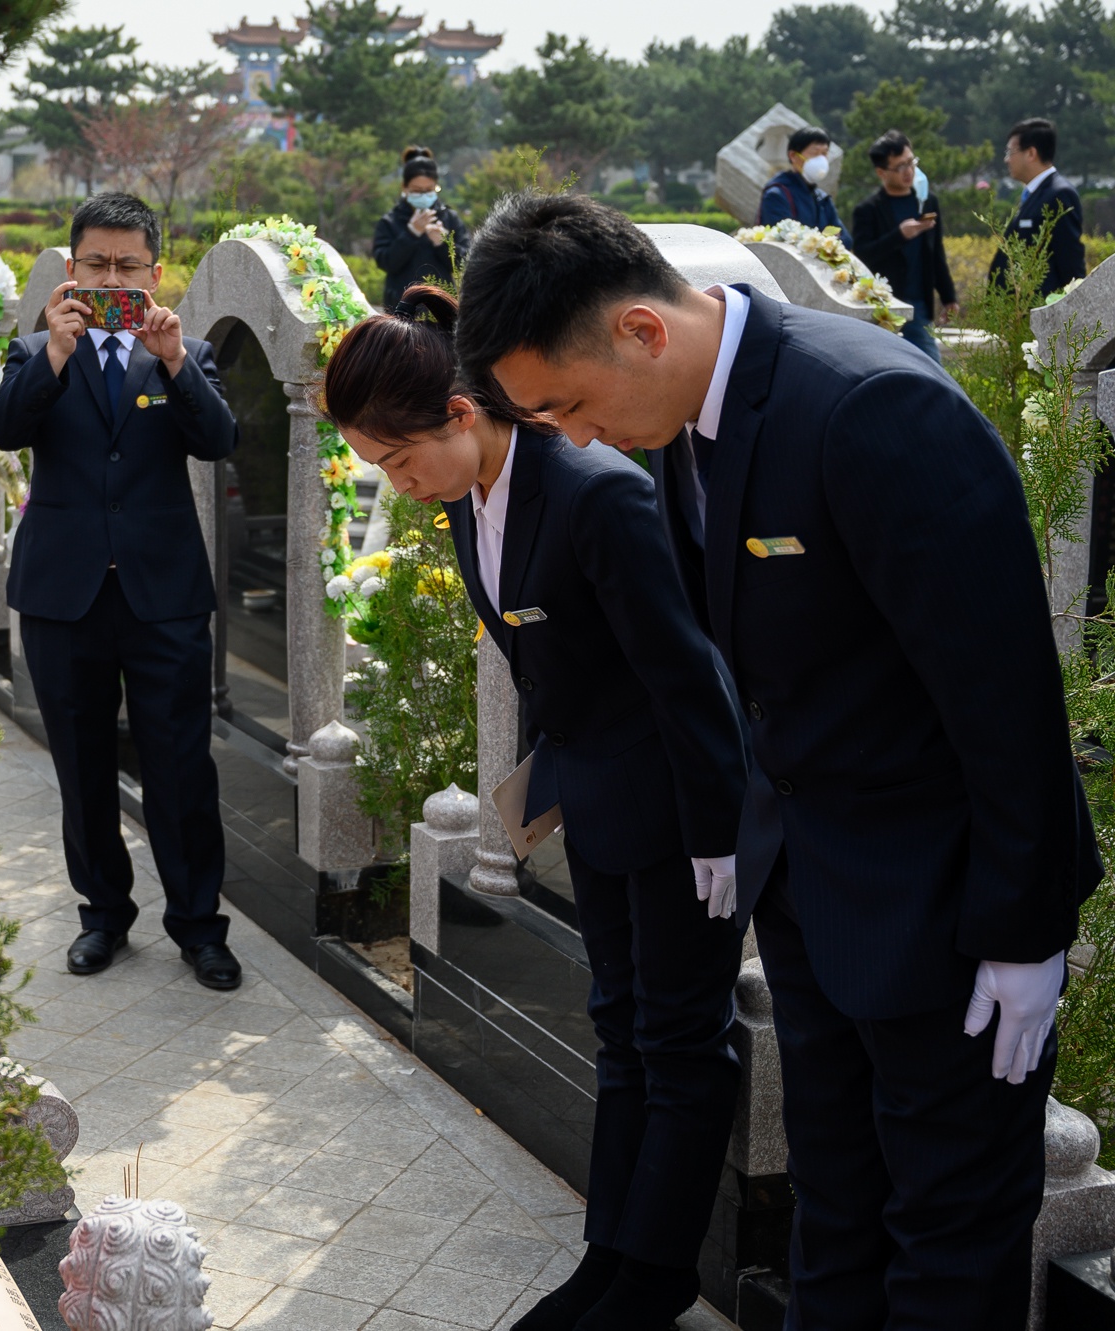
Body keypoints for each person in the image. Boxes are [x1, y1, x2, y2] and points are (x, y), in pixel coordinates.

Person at [455, 192, 1103, 1331]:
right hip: (808, 891)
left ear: (640, 330)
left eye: (565, 403)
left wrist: (1021, 932)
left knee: (943, 1239)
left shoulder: (866, 408)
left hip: (938, 915)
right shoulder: (680, 426)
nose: (572, 437)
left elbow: (1002, 697)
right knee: (834, 1206)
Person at [323, 284, 748, 1331]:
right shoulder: (474, 498)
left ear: (461, 414)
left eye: (396, 456)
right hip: (598, 795)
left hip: (678, 805)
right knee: (618, 1024)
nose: (397, 481)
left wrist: (716, 835)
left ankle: (651, 1278)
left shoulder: (596, 490)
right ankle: (609, 1250)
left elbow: (685, 675)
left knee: (681, 1037)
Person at [0, 192, 244, 990]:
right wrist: (56, 357)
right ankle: (104, 915)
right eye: (96, 263)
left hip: (163, 595)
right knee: (83, 766)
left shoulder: (185, 352)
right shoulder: (34, 355)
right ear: (71, 268)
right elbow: (1, 429)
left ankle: (200, 926)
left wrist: (171, 362)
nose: (111, 278)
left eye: (128, 266)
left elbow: (218, 439)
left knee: (181, 767)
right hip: (64, 596)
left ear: (155, 274)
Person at [852, 129, 958, 363]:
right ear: (881, 172)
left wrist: (949, 296)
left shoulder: (926, 202)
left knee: (932, 369)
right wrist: (899, 235)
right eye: (900, 166)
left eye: (911, 162)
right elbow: (862, 256)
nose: (908, 171)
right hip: (883, 306)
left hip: (919, 304)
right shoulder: (868, 210)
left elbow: (935, 252)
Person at [989, 116, 1087, 296]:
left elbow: (1069, 261)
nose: (1006, 160)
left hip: (1041, 312)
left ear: (1031, 153)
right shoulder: (1034, 193)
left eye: (1010, 152)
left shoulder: (1059, 194)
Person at [372, 146, 470, 310]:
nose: (424, 195)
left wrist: (444, 243)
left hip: (441, 308)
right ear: (405, 187)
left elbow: (464, 262)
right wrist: (411, 233)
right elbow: (385, 262)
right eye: (417, 191)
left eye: (429, 190)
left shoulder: (449, 218)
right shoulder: (390, 221)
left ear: (436, 187)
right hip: (401, 308)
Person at [759, 126, 851, 247]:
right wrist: (825, 239)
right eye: (814, 153)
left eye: (824, 153)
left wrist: (819, 241)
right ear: (793, 156)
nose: (821, 159)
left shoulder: (822, 199)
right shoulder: (777, 195)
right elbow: (782, 241)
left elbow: (845, 238)